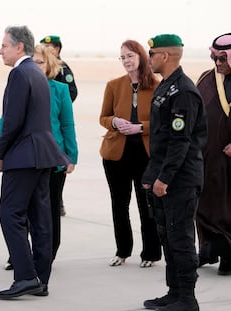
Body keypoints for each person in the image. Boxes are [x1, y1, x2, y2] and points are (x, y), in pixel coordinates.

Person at [0, 25, 70, 299]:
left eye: (3, 45)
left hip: (24, 155)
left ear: (18, 47)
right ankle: (41, 278)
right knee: (40, 218)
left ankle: (26, 276)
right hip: (43, 155)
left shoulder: (19, 74)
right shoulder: (37, 74)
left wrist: (0, 152)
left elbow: (12, 121)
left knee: (10, 213)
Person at [142, 34, 207, 311]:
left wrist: (164, 178)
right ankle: (174, 293)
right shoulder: (166, 87)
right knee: (168, 237)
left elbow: (180, 142)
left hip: (180, 180)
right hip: (163, 177)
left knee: (180, 239)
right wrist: (151, 175)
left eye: (152, 54)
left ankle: (187, 300)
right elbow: (161, 138)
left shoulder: (183, 91)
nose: (149, 58)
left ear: (165, 56)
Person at [99, 39, 161, 269]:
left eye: (130, 56)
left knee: (147, 206)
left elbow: (161, 122)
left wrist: (140, 127)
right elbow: (103, 117)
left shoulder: (156, 85)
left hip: (146, 155)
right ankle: (122, 250)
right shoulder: (114, 85)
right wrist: (114, 122)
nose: (126, 61)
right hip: (116, 155)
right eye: (122, 57)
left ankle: (151, 253)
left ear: (141, 57)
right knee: (119, 204)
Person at [195, 33, 231, 276]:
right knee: (206, 204)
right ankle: (209, 250)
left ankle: (228, 254)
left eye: (222, 58)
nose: (217, 64)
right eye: (214, 58)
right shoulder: (207, 79)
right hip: (208, 157)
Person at [40, 35, 78, 217]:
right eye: (45, 46)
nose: (49, 49)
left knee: (54, 190)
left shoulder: (63, 69)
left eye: (52, 47)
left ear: (58, 49)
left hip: (57, 125)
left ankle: (58, 203)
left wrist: (61, 106)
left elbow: (72, 90)